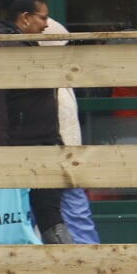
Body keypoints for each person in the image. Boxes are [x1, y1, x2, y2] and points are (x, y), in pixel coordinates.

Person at [0, 0, 73, 244]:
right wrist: (1, 149)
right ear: (25, 18)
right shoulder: (7, 46)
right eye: (43, 17)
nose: (47, 24)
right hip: (23, 143)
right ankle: (64, 268)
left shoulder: (18, 43)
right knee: (41, 211)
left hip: (32, 141)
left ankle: (57, 267)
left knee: (41, 210)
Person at [40, 17, 101, 244]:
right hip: (57, 154)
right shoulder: (50, 82)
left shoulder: (60, 80)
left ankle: (88, 258)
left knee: (73, 212)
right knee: (74, 213)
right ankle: (89, 259)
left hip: (64, 155)